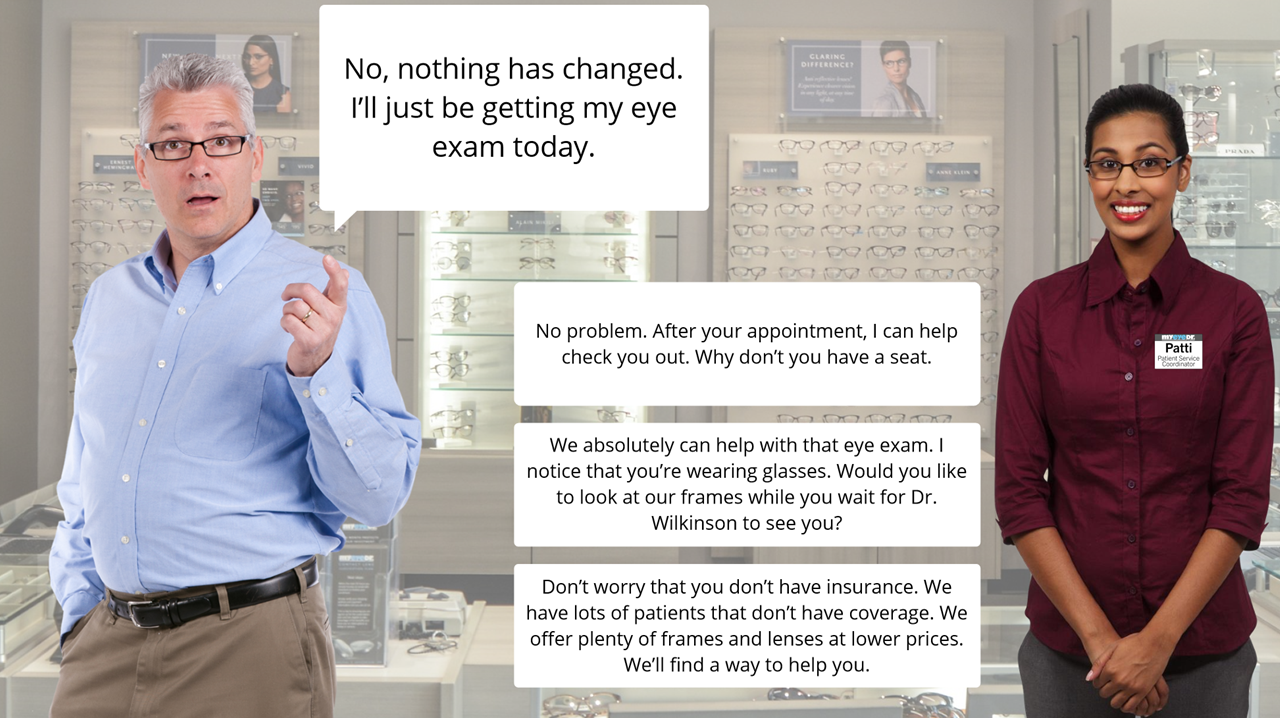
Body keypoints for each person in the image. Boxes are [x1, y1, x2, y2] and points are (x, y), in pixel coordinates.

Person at [49, 53, 421, 716]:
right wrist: (79, 611)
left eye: (221, 141)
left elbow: (378, 496)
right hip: (105, 646)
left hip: (248, 646)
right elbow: (84, 471)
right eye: (172, 144)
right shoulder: (110, 297)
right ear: (143, 165)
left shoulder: (322, 296)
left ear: (255, 156)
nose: (198, 164)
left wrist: (317, 373)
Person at [996, 83, 1269, 717]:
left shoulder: (1234, 312)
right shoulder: (1041, 311)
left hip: (1203, 656)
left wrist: (1156, 643)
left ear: (1182, 172)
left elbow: (1241, 495)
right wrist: (1103, 644)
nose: (1126, 184)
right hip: (1070, 658)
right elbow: (1018, 491)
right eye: (1107, 164)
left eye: (1148, 162)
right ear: (1090, 174)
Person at [869, 41, 926, 118]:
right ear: (883, 66)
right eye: (889, 63)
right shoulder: (883, 103)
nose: (896, 68)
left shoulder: (915, 97)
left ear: (909, 62)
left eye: (901, 61)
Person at [242, 34, 291, 114]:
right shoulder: (234, 86)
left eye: (258, 57)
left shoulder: (282, 95)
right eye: (247, 56)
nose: (251, 62)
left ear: (271, 59)